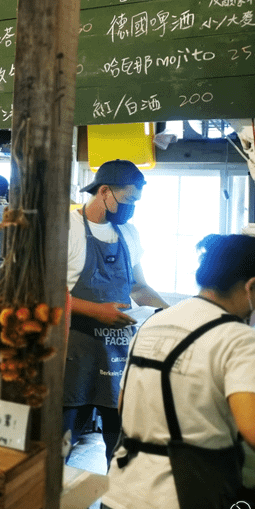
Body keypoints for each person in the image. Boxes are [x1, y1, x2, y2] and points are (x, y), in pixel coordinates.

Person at [103, 234, 255, 509]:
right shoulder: (242, 339)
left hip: (119, 497)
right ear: (251, 287)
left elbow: (124, 404)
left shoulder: (156, 322)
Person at [65, 159, 168, 464]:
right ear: (105, 191)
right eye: (128, 200)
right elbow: (48, 294)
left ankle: (114, 505)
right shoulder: (67, 228)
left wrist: (172, 313)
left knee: (121, 446)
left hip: (119, 352)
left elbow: (139, 288)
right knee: (62, 441)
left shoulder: (129, 233)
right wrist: (97, 311)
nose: (131, 208)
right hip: (75, 351)